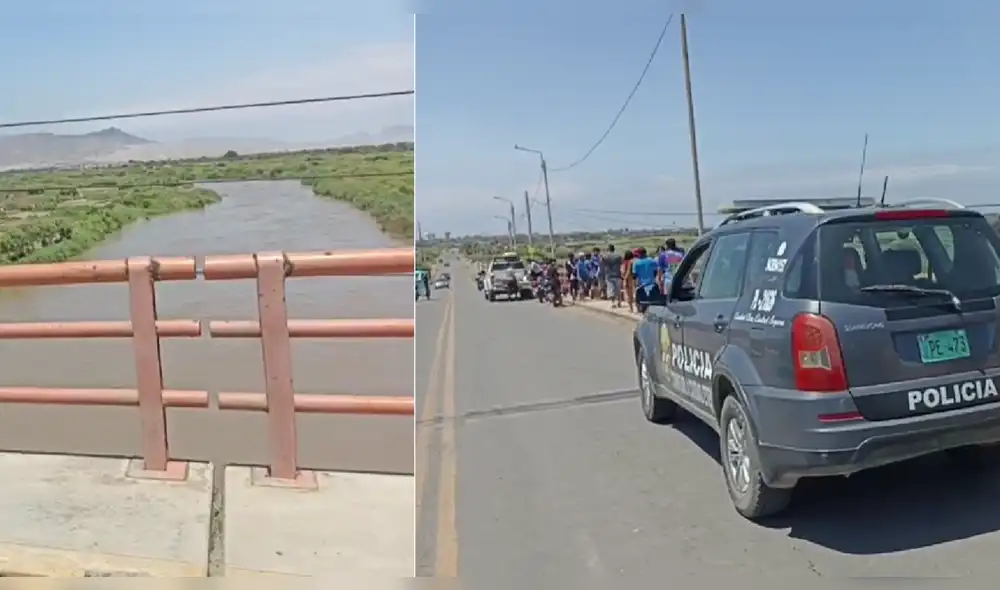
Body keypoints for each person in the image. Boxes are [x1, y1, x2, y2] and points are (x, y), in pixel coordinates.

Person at [632, 248, 661, 313]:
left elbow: (634, 275)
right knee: (654, 302)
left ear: (639, 254)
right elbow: (656, 272)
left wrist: (634, 285)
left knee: (639, 302)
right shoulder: (652, 261)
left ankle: (639, 312)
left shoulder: (636, 263)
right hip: (652, 284)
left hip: (641, 285)